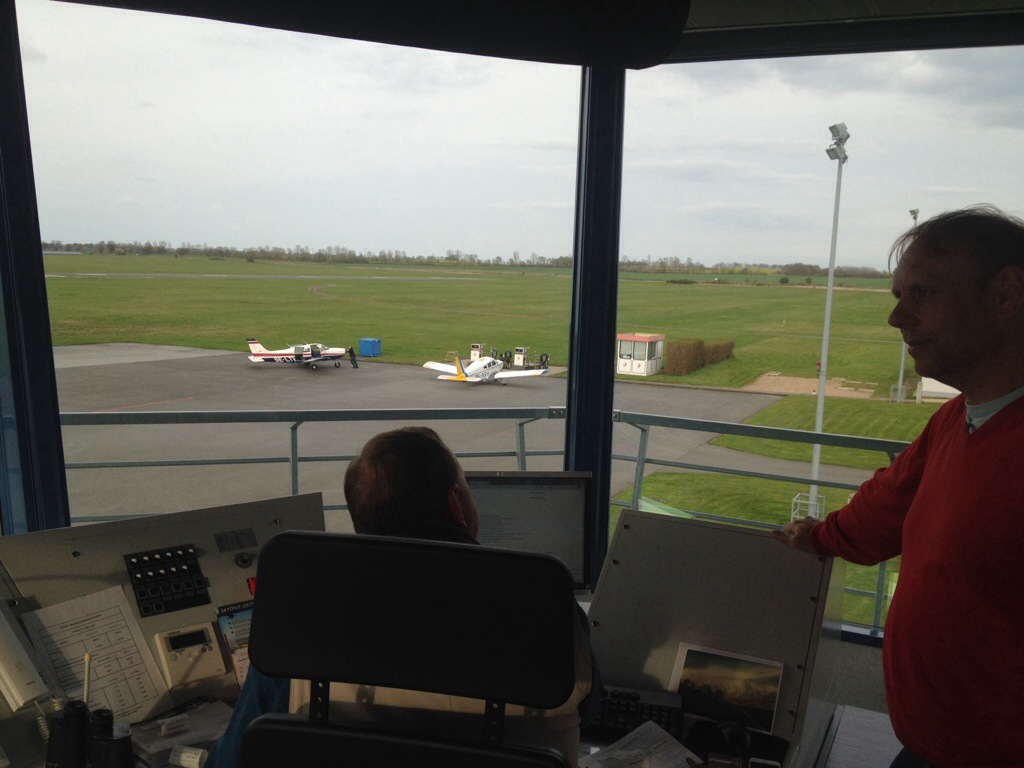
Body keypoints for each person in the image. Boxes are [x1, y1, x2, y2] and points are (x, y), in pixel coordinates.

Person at [772, 205, 1024, 768]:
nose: (896, 318)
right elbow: (884, 509)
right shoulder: (956, 419)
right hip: (927, 745)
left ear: (1006, 294)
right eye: (898, 295)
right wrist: (817, 536)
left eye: (923, 294)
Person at [207, 426, 597, 767]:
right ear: (456, 506)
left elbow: (234, 759)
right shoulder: (549, 605)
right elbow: (593, 711)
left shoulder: (302, 621)